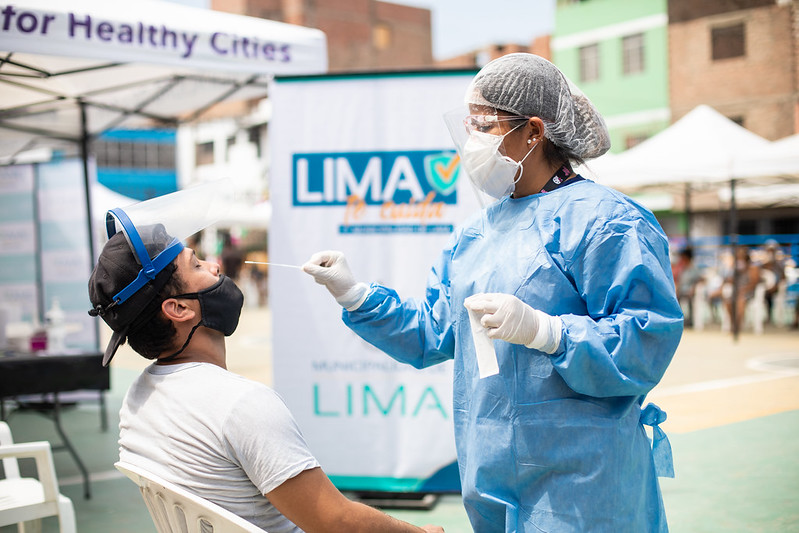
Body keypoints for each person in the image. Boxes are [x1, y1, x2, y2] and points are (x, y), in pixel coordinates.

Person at [303, 53, 683, 532]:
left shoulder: (607, 221)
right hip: (490, 479)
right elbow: (433, 333)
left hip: (584, 485)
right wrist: (355, 295)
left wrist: (549, 333)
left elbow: (645, 341)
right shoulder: (476, 235)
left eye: (485, 124)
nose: (471, 141)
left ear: (533, 132)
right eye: (469, 125)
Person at [88, 200, 443, 533]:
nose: (216, 267)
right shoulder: (241, 405)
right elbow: (334, 522)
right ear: (179, 309)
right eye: (197, 265)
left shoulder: (137, 401)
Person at [673, 247, 703, 327]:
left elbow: (700, 280)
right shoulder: (681, 268)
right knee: (675, 299)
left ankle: (690, 321)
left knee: (688, 299)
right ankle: (679, 319)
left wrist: (693, 288)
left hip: (690, 291)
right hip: (681, 290)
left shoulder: (694, 268)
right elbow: (678, 280)